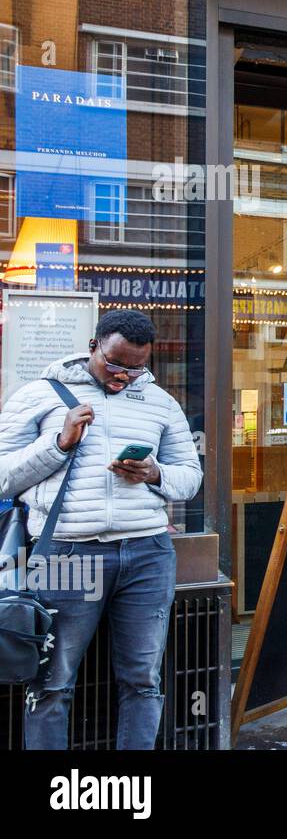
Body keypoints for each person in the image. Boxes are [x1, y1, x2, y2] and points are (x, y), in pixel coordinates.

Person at [0, 309, 202, 749]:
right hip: (66, 555)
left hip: (147, 553)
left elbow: (189, 477)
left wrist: (152, 474)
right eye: (115, 363)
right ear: (93, 346)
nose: (123, 375)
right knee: (52, 681)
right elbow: (3, 477)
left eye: (136, 367)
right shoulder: (39, 395)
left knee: (143, 678)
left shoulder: (161, 403)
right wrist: (58, 444)